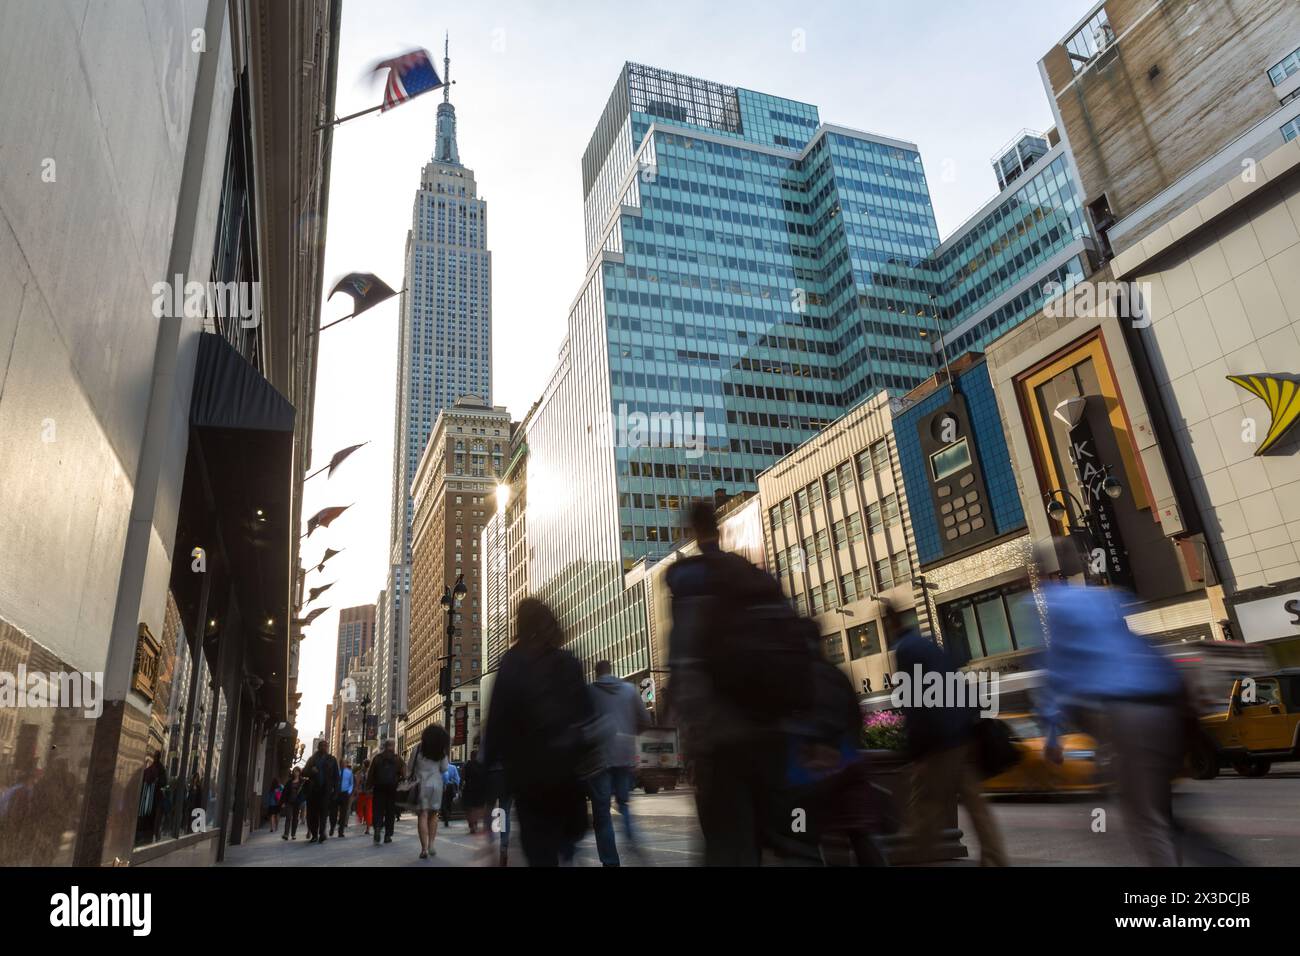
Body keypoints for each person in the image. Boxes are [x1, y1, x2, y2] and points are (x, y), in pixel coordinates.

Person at [1034, 541, 1233, 866]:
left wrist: (1053, 735)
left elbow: (1056, 673)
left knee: (1147, 822)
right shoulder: (1105, 597)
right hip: (1167, 703)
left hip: (1128, 712)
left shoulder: (1050, 605)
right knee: (1161, 815)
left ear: (1040, 575)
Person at [666, 501, 816, 866]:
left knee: (729, 845)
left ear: (690, 531)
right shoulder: (753, 576)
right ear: (719, 529)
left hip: (722, 739)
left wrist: (688, 731)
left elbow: (685, 664)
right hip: (776, 731)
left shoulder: (687, 580)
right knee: (790, 839)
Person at [891, 601, 1006, 867]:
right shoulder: (930, 646)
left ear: (890, 624)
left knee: (925, 806)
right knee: (975, 803)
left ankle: (909, 859)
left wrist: (915, 750)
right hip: (963, 731)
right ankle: (996, 859)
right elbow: (957, 682)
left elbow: (914, 700)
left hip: (940, 739)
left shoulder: (905, 650)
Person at [481, 598, 593, 866]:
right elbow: (587, 716)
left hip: (529, 781)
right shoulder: (569, 662)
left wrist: (482, 787)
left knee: (540, 852)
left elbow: (496, 725)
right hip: (566, 776)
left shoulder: (512, 664)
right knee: (566, 845)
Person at [586, 660, 653, 866]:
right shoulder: (629, 690)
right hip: (624, 756)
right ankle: (633, 840)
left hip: (600, 759)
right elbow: (645, 722)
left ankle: (610, 861)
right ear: (612, 671)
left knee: (602, 812)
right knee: (624, 804)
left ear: (596, 673)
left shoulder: (589, 692)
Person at [411, 725, 451, 859]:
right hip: (436, 785)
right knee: (434, 815)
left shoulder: (418, 748)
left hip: (421, 784)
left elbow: (409, 767)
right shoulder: (441, 750)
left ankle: (424, 849)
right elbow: (445, 768)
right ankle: (432, 845)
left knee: (422, 815)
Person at [367, 739, 405, 845]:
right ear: (393, 746)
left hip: (379, 788)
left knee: (378, 810)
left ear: (384, 746)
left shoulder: (377, 758)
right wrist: (401, 780)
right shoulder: (397, 759)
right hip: (392, 789)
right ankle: (388, 835)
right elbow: (404, 774)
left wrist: (368, 787)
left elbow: (371, 774)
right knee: (390, 812)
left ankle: (378, 828)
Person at [302, 740, 340, 845]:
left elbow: (336, 777)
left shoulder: (332, 760)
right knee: (312, 814)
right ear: (319, 747)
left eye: (325, 746)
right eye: (322, 745)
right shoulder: (312, 759)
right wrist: (311, 771)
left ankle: (322, 833)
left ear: (327, 747)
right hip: (313, 791)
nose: (324, 747)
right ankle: (314, 834)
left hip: (326, 790)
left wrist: (336, 791)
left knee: (323, 813)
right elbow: (303, 772)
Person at [461, 750, 487, 835]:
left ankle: (472, 825)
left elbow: (463, 777)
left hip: (469, 789)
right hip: (480, 790)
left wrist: (460, 786)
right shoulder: (482, 765)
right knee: (477, 808)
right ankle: (475, 824)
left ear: (471, 756)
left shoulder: (467, 765)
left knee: (469, 809)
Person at [281, 768, 303, 840]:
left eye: (297, 772)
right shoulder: (289, 782)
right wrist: (283, 802)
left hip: (297, 802)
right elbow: (284, 792)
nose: (296, 773)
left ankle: (293, 834)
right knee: (288, 817)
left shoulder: (302, 781)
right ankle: (286, 834)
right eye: (294, 772)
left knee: (295, 819)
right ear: (293, 772)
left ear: (299, 773)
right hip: (289, 802)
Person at [356, 759, 373, 836]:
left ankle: (360, 819)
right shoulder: (371, 773)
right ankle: (368, 828)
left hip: (362, 793)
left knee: (360, 808)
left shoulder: (360, 773)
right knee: (369, 810)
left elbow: (357, 782)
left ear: (363, 764)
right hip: (369, 794)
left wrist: (356, 789)